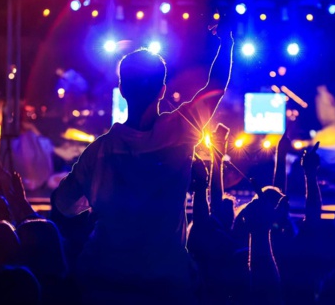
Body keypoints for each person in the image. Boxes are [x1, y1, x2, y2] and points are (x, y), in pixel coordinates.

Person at [52, 18, 234, 303]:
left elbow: (63, 204)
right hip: (166, 282)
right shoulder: (179, 130)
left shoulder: (99, 152)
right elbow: (216, 86)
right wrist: (227, 43)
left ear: (122, 89)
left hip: (106, 283)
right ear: (162, 91)